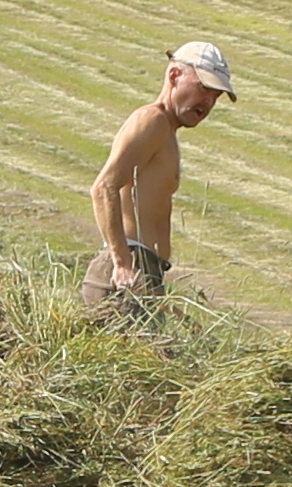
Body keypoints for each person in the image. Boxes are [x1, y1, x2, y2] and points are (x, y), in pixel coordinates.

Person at [84, 40, 235, 314]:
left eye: (217, 95)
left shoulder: (166, 130)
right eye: (204, 88)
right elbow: (103, 188)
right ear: (175, 75)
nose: (209, 102)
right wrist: (121, 263)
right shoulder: (152, 121)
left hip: (142, 271)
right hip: (126, 274)